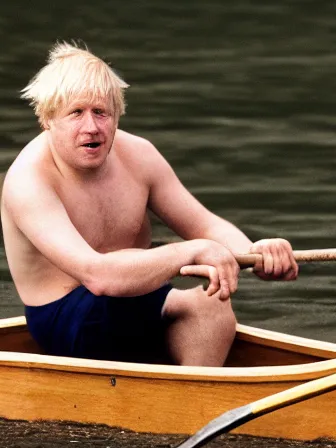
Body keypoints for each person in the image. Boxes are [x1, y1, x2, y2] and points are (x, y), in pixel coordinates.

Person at [1, 42, 299, 366]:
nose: (92, 127)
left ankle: (191, 402)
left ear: (116, 116)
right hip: (64, 321)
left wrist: (256, 254)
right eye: (76, 113)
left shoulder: (139, 155)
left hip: (137, 299)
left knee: (214, 302)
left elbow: (206, 225)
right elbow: (98, 276)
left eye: (101, 112)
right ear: (48, 120)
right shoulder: (28, 181)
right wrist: (191, 251)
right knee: (158, 284)